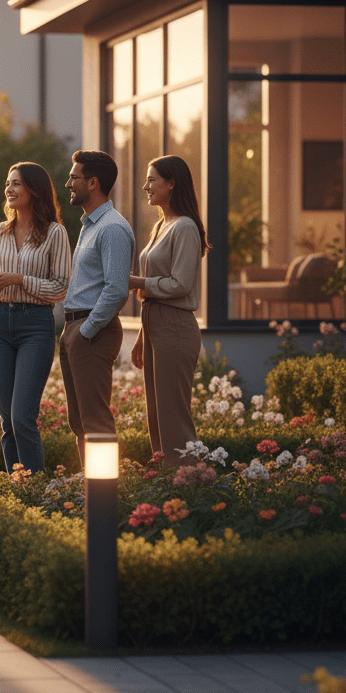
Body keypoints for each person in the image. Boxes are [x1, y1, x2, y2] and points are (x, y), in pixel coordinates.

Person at [0, 162, 71, 475]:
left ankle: (38, 493)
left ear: (34, 190)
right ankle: (19, 489)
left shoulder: (55, 233)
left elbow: (59, 288)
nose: (9, 189)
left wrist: (18, 279)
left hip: (36, 325)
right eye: (8, 183)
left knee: (22, 418)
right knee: (6, 421)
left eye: (16, 184)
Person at [129, 155, 208, 465]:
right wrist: (141, 335)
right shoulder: (162, 225)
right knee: (157, 414)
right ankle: (165, 481)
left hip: (175, 325)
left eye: (152, 180)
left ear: (172, 184)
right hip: (155, 324)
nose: (146, 186)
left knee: (173, 415)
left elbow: (180, 284)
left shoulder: (185, 227)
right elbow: (154, 291)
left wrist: (135, 280)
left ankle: (188, 482)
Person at [60, 150, 135, 466]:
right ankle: (89, 492)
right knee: (80, 422)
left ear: (93, 183)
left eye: (74, 177)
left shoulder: (112, 228)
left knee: (96, 422)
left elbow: (117, 290)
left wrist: (87, 330)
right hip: (75, 328)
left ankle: (106, 502)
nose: (68, 184)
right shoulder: (90, 225)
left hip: (92, 328)